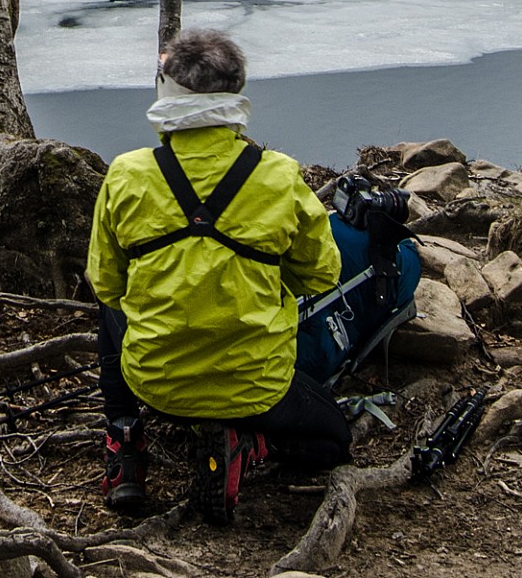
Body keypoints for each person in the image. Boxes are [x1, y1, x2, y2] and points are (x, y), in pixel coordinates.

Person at [84, 28, 351, 524]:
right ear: (236, 94)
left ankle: (123, 443)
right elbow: (321, 274)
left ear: (166, 89)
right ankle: (248, 446)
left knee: (109, 307)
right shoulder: (278, 175)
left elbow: (107, 283)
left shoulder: (127, 174)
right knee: (334, 439)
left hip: (155, 383)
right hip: (255, 386)